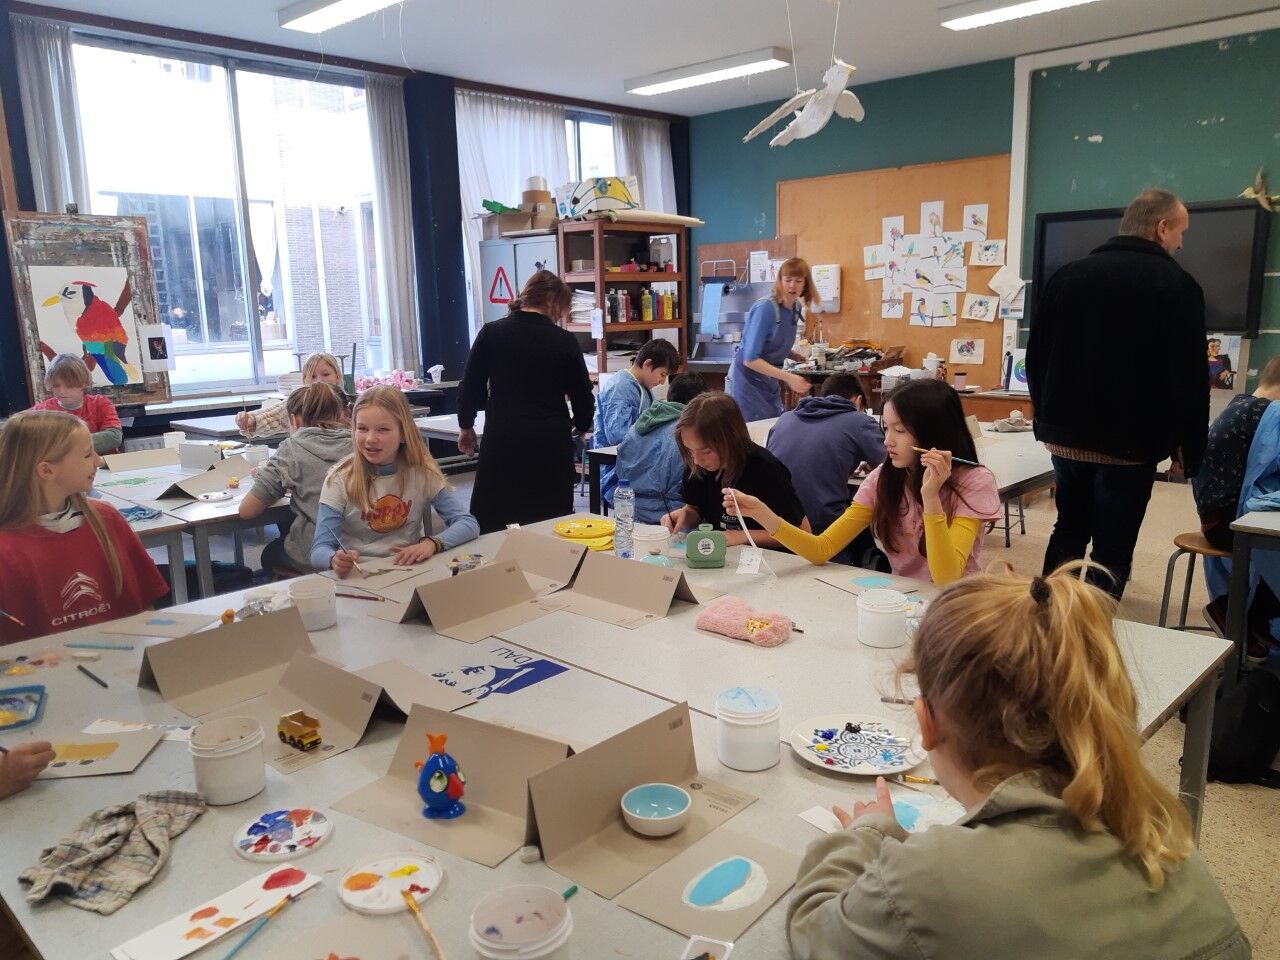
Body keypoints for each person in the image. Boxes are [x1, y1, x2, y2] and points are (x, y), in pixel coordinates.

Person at [787, 564, 1250, 960]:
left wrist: (868, 833)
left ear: (926, 724)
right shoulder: (1161, 831)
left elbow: (813, 931)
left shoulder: (930, 880)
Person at [1027, 188, 1207, 598]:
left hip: (1066, 439)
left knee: (1068, 529)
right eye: (1181, 232)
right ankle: (1093, 627)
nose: (1181, 242)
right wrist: (1189, 449)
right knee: (1113, 546)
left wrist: (1045, 419)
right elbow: (1189, 377)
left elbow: (1037, 357)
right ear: (1162, 228)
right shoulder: (1178, 285)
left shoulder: (1067, 277)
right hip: (1131, 445)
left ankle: (1046, 617)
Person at [730, 379, 999, 584]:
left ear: (933, 433)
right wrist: (761, 513)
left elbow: (946, 579)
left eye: (900, 430)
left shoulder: (974, 481)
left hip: (958, 604)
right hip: (905, 598)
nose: (888, 441)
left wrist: (931, 498)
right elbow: (822, 549)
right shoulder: (883, 478)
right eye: (886, 428)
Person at [0, 411, 169, 644]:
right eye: (88, 454)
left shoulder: (106, 518)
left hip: (127, 657)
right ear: (47, 470)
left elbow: (145, 607)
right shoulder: (7, 548)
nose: (98, 461)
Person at [457, 270, 595, 532]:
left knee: (494, 516)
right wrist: (581, 424)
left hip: (503, 437)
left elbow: (470, 385)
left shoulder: (491, 333)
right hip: (549, 440)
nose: (560, 316)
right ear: (552, 301)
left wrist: (466, 425)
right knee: (550, 518)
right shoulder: (564, 341)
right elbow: (582, 394)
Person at [312, 387, 478, 576]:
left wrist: (432, 543)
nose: (370, 439)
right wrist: (333, 558)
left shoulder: (421, 472)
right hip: (360, 576)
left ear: (404, 433)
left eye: (383, 430)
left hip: (410, 570)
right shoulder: (339, 479)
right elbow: (319, 549)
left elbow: (468, 524)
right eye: (362, 429)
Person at [1194, 356, 1280, 661]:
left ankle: (1254, 616)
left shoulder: (1240, 405)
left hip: (1215, 520)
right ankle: (1240, 612)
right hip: (1234, 526)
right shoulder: (1270, 415)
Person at [766, 372, 887, 566]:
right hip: (823, 528)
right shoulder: (859, 421)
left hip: (777, 525)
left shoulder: (784, 419)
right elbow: (893, 467)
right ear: (858, 401)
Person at [660, 392, 807, 549]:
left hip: (769, 557)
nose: (696, 460)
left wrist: (741, 536)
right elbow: (696, 508)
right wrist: (685, 515)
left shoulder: (766, 469)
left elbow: (803, 533)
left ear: (731, 439)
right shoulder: (697, 468)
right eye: (690, 451)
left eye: (706, 451)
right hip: (723, 554)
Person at [239, 382, 353, 575]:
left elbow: (247, 510)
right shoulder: (362, 442)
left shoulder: (292, 448)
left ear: (294, 419)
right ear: (343, 413)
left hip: (316, 552)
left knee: (270, 553)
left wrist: (275, 485)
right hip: (364, 548)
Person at [727, 257, 821, 421]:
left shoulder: (796, 308)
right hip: (746, 382)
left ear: (805, 283)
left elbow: (769, 341)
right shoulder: (766, 308)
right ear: (780, 281)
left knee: (771, 425)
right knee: (752, 430)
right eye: (788, 280)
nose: (792, 285)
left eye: (798, 281)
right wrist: (789, 377)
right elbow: (750, 359)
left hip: (768, 380)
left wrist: (791, 354)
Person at [594, 337, 681, 508]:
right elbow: (617, 435)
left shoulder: (643, 388)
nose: (662, 382)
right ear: (648, 364)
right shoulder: (620, 388)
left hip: (636, 459)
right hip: (617, 468)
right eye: (662, 374)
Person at [615, 372, 708, 523]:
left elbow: (619, 470)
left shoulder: (640, 424)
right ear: (700, 402)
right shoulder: (688, 432)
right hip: (673, 517)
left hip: (630, 513)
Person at [236, 352, 350, 439]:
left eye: (326, 374)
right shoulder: (299, 404)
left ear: (338, 376)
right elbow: (272, 417)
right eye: (313, 376)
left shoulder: (350, 405)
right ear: (304, 380)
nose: (319, 381)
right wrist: (250, 421)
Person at [30, 353, 122, 454]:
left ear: (84, 384)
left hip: (102, 461)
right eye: (56, 386)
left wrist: (66, 445)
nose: (62, 391)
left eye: (69, 386)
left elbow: (114, 437)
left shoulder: (100, 403)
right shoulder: (41, 411)